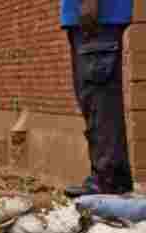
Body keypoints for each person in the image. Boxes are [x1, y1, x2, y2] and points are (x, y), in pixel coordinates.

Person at [62, 0, 134, 197]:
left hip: (96, 16)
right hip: (92, 17)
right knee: (95, 99)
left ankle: (107, 180)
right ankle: (111, 178)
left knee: (99, 100)